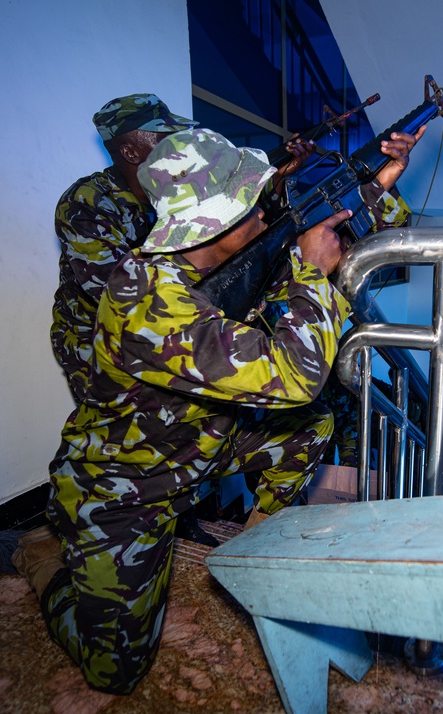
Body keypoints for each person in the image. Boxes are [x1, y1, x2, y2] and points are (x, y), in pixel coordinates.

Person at [15, 124, 424, 694]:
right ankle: (43, 559)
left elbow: (344, 248)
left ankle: (255, 547)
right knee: (114, 672)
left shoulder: (230, 258)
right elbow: (294, 376)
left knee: (313, 427)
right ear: (211, 225)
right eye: (251, 203)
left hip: (203, 446)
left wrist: (375, 189)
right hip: (129, 488)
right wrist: (310, 272)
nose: (267, 209)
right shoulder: (145, 304)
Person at [50, 93, 314, 544]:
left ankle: (196, 521)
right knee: (144, 442)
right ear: (132, 149)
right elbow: (113, 290)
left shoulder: (187, 190)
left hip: (181, 326)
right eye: (163, 134)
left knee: (203, 425)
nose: (177, 141)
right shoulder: (88, 204)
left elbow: (218, 269)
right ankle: (111, 531)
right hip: (96, 338)